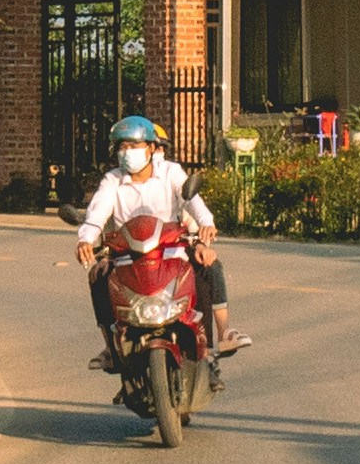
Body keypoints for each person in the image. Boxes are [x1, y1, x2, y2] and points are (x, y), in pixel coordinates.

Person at [71, 113, 237, 373]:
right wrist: (86, 239)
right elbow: (97, 213)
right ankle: (111, 348)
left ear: (150, 148)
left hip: (171, 249)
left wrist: (206, 222)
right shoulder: (112, 180)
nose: (128, 152)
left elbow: (193, 201)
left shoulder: (170, 172)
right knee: (98, 276)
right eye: (122, 147)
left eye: (134, 146)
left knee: (207, 267)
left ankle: (219, 337)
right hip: (126, 254)